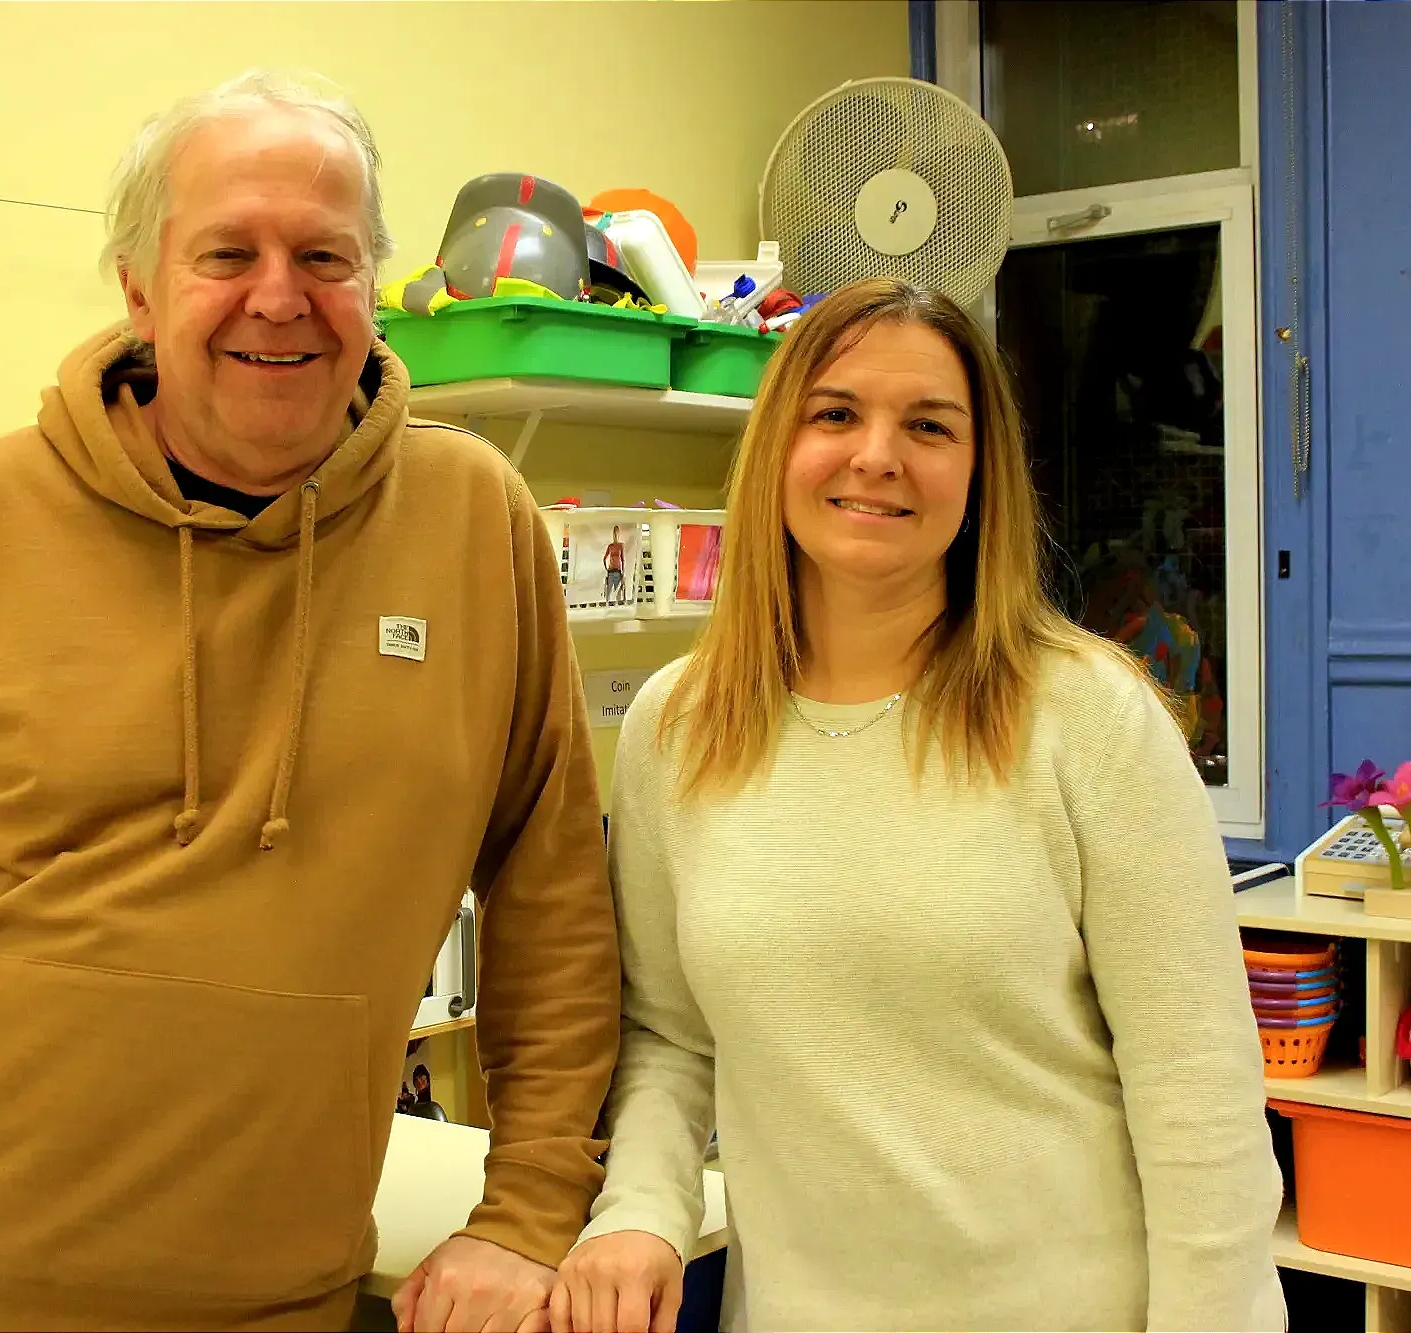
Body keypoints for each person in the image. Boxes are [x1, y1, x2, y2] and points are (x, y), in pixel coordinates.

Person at [0, 69, 618, 1333]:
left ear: (377, 285)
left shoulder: (475, 528)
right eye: (225, 252)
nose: (278, 296)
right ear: (138, 285)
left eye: (324, 255)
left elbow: (553, 891)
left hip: (271, 1297)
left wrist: (529, 1206)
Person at [549, 278, 1287, 1333]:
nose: (876, 455)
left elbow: (1197, 1091)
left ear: (979, 471)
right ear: (776, 450)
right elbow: (669, 1037)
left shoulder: (1086, 717)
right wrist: (636, 1210)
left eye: (928, 425)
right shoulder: (681, 725)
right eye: (836, 413)